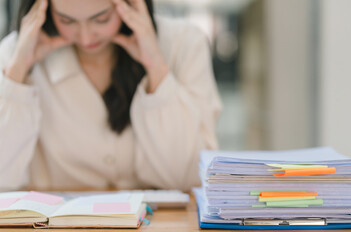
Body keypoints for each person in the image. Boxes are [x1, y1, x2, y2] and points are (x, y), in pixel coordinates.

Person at [0, 0, 221, 192]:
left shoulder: (184, 43)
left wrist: (156, 66)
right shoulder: (15, 53)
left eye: (102, 18)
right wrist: (18, 70)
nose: (86, 37)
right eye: (66, 21)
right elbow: (3, 177)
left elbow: (189, 176)